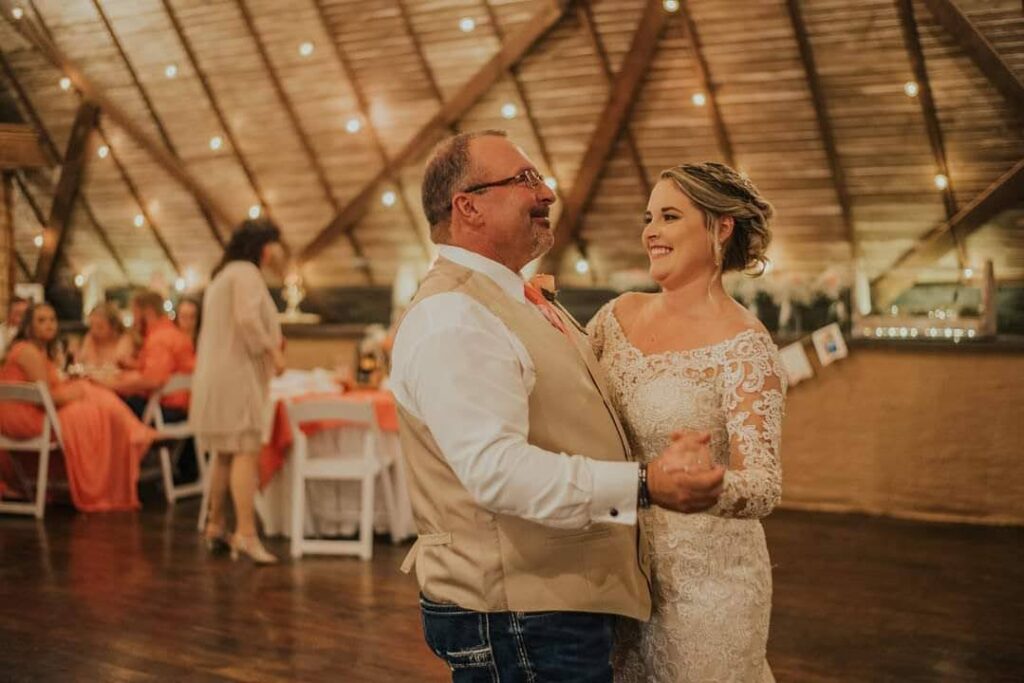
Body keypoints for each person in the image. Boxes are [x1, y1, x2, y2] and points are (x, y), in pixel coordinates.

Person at [390, 130, 726, 681]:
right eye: (523, 180)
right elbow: (496, 473)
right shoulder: (453, 315)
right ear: (468, 207)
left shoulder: (509, 299)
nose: (545, 191)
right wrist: (643, 485)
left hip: (546, 609)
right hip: (516, 617)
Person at [587, 162, 786, 682]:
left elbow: (764, 486)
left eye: (670, 216)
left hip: (707, 589)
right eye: (649, 217)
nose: (651, 230)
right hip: (618, 575)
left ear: (721, 227)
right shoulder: (615, 317)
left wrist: (706, 485)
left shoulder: (746, 345)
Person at [191, 219, 286, 565]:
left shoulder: (223, 274)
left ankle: (215, 526)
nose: (279, 253)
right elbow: (247, 320)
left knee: (224, 452)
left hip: (214, 378)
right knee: (245, 449)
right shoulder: (246, 273)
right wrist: (272, 351)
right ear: (264, 246)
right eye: (277, 245)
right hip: (238, 376)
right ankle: (245, 533)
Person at [0, 302, 155, 511]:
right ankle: (132, 437)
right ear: (29, 325)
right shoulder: (27, 351)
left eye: (52, 320)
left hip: (35, 411)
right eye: (41, 320)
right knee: (90, 405)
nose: (49, 325)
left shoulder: (38, 350)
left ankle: (131, 436)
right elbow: (47, 396)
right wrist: (74, 393)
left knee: (91, 396)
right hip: (25, 418)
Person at [101, 289, 196, 419]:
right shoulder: (172, 333)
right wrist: (132, 367)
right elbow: (164, 370)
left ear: (148, 313)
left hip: (168, 410)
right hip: (183, 407)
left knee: (110, 405)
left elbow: (153, 381)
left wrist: (112, 385)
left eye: (135, 313)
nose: (134, 320)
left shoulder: (159, 339)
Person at [78, 302, 135, 371]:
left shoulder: (125, 340)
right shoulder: (90, 338)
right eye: (91, 326)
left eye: (100, 327)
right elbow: (85, 364)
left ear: (114, 327)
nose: (94, 331)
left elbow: (117, 365)